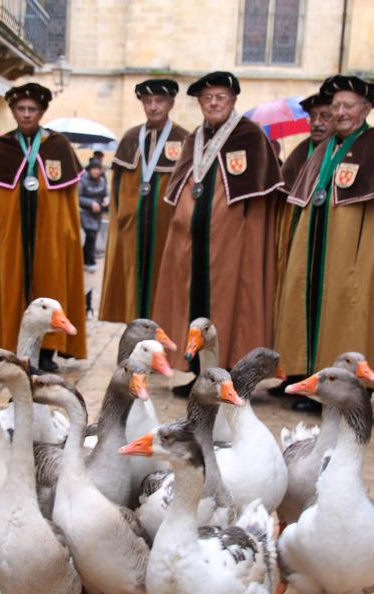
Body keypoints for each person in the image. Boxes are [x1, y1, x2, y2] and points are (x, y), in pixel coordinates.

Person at [275, 75, 374, 403]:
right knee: (318, 306)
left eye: (348, 106)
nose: (340, 113)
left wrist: (369, 261)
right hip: (320, 249)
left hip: (358, 251)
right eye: (336, 106)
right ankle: (314, 378)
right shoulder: (325, 149)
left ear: (366, 108)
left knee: (355, 310)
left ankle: (353, 389)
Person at [151, 71, 283, 395]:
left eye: (220, 97)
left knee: (227, 306)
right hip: (193, 244)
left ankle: (230, 375)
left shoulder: (250, 137)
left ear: (234, 99)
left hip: (231, 245)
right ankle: (199, 374)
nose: (213, 103)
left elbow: (260, 202)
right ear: (199, 103)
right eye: (206, 98)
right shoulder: (195, 138)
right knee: (194, 305)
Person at [0, 82, 87, 372]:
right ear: (13, 111)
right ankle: (8, 343)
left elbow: (67, 203)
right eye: (21, 109)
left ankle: (49, 350)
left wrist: (66, 235)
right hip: (12, 235)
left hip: (48, 235)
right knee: (10, 283)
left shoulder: (57, 145)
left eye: (32, 109)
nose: (26, 114)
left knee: (50, 279)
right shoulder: (2, 147)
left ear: (41, 112)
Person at [99, 78, 188, 322]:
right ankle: (134, 331)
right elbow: (118, 186)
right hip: (133, 230)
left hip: (167, 230)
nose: (153, 107)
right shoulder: (130, 138)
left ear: (170, 103)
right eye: (148, 101)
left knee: (165, 280)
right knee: (133, 282)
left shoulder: (183, 139)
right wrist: (125, 217)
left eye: (159, 101)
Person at [270, 92, 336, 401]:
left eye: (325, 117)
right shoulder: (300, 152)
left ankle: (317, 378)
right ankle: (293, 374)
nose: (318, 124)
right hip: (295, 240)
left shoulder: (341, 153)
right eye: (314, 118)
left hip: (324, 247)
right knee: (291, 305)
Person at [79, 157, 109, 272]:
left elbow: (106, 193)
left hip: (97, 214)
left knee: (92, 237)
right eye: (94, 169)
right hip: (86, 213)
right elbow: (77, 197)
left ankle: (84, 258)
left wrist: (106, 199)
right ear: (90, 169)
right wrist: (91, 203)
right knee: (90, 235)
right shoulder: (83, 181)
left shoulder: (102, 181)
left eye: (98, 169)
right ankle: (90, 262)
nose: (96, 171)